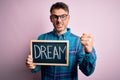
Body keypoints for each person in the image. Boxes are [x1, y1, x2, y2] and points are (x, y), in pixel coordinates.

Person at [26, 2, 97, 80]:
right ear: (51, 19)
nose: (59, 20)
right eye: (55, 17)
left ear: (68, 18)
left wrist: (89, 52)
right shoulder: (42, 38)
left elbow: (88, 71)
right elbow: (37, 67)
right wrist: (33, 65)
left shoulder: (78, 42)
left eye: (63, 16)